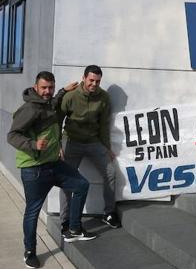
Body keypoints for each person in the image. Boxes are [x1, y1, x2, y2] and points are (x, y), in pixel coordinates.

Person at [7, 71, 96, 268]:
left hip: (53, 164)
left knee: (81, 185)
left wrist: (64, 90)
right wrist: (32, 145)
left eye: (51, 87)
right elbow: (12, 135)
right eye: (44, 88)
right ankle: (29, 251)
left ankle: (73, 229)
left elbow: (53, 104)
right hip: (34, 169)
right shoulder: (29, 109)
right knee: (33, 211)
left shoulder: (46, 103)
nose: (48, 91)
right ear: (36, 87)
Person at [59, 65, 121, 232]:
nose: (94, 84)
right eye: (91, 80)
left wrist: (106, 147)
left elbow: (103, 125)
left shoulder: (104, 97)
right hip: (72, 141)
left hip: (94, 142)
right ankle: (65, 220)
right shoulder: (70, 96)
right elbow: (57, 120)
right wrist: (57, 145)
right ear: (84, 78)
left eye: (98, 81)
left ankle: (109, 213)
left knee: (110, 172)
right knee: (66, 180)